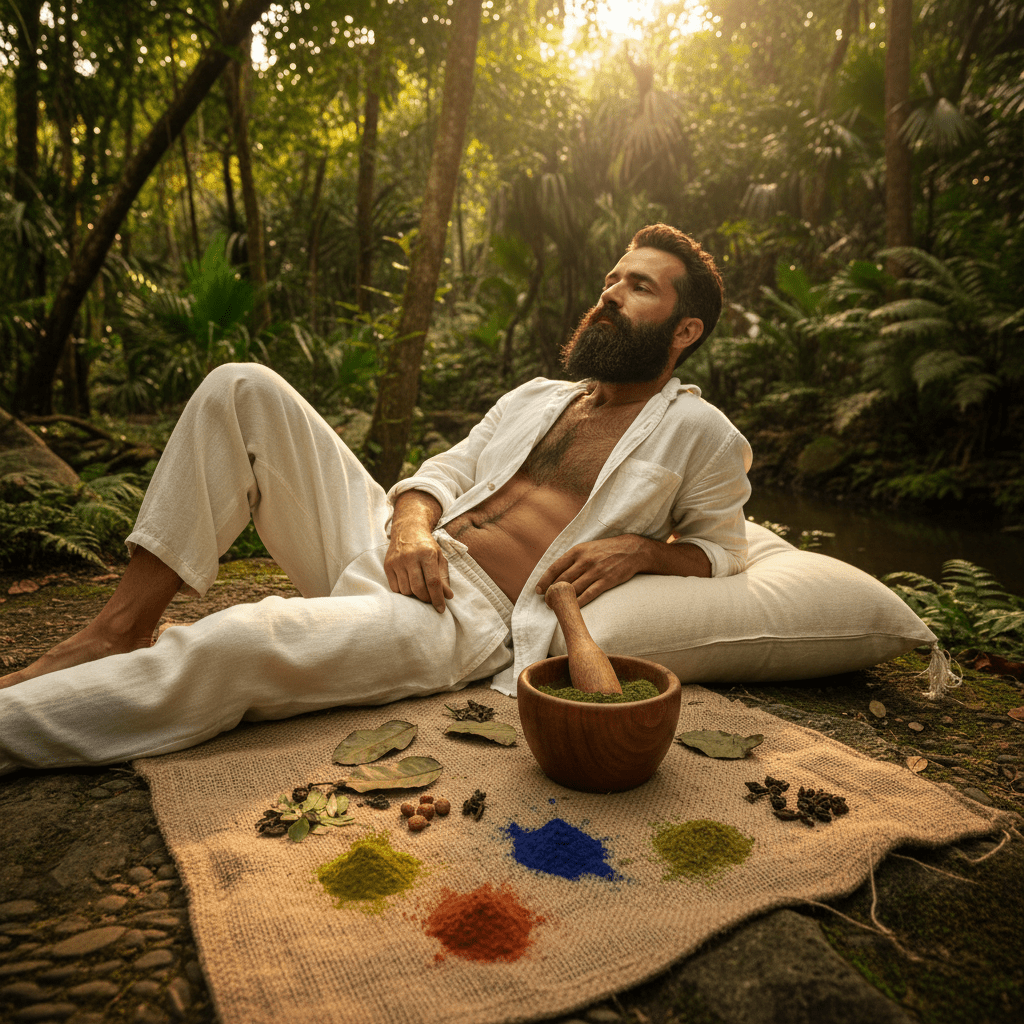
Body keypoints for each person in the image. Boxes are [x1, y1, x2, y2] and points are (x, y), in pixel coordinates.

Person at [0, 224, 752, 774]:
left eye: (638, 287)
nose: (610, 296)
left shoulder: (701, 434)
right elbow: (446, 469)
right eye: (611, 281)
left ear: (686, 329)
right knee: (243, 388)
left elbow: (722, 550)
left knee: (238, 642)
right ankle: (121, 626)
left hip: (460, 613)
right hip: (401, 545)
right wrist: (412, 524)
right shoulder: (538, 395)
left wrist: (645, 550)